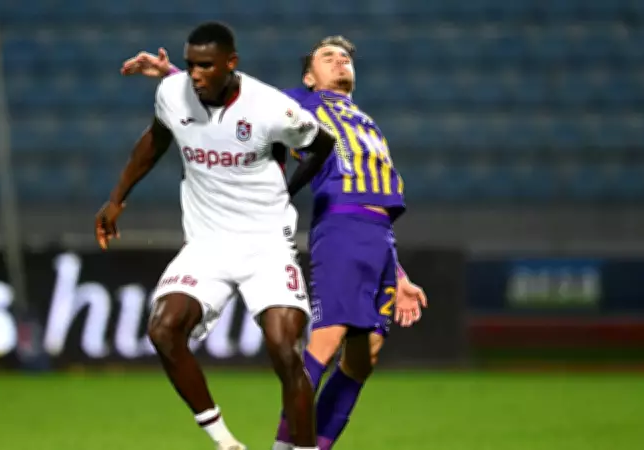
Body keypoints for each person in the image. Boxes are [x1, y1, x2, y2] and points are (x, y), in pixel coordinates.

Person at [120, 34, 428, 450]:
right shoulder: (302, 104)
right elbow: (236, 101)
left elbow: (378, 207)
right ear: (308, 77)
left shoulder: (363, 119)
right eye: (327, 56)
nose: (340, 61)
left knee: (364, 357)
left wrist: (398, 271)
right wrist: (173, 74)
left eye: (345, 57)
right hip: (342, 225)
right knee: (325, 342)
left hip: (379, 235)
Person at [96, 22, 337, 450]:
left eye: (206, 65)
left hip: (266, 245)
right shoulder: (173, 94)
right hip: (207, 245)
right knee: (163, 329)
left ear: (231, 64)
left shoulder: (269, 107)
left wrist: (289, 189)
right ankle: (226, 443)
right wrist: (117, 199)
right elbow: (155, 141)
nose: (195, 74)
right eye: (190, 65)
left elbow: (322, 143)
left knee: (285, 350)